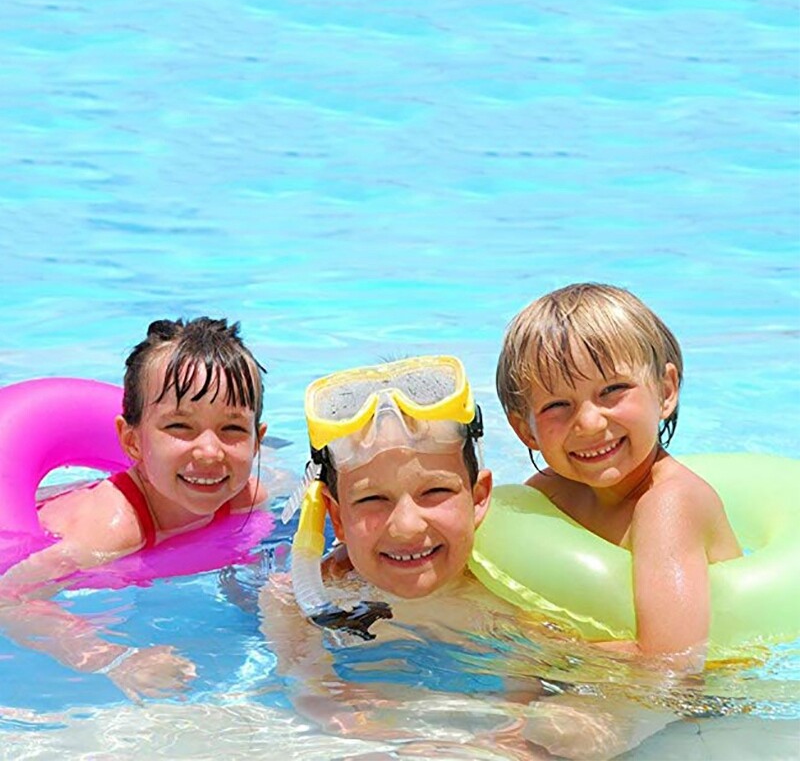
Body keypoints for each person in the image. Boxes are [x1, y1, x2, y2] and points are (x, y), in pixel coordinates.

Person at [259, 356, 673, 759]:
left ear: (479, 498)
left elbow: (608, 681)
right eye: (372, 499)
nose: (406, 526)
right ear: (337, 517)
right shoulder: (296, 603)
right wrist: (373, 739)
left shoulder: (512, 594)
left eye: (435, 493)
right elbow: (311, 691)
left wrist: (508, 742)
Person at [0, 317, 269, 700]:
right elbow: (12, 599)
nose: (211, 451)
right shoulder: (110, 530)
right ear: (131, 442)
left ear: (257, 441)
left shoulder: (249, 499)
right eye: (180, 426)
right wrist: (114, 659)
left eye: (232, 430)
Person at [495, 283, 742, 662]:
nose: (590, 423)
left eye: (612, 390)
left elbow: (672, 663)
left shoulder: (669, 504)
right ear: (525, 430)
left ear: (666, 390)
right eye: (558, 404)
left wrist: (544, 647)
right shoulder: (551, 494)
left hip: (701, 707)